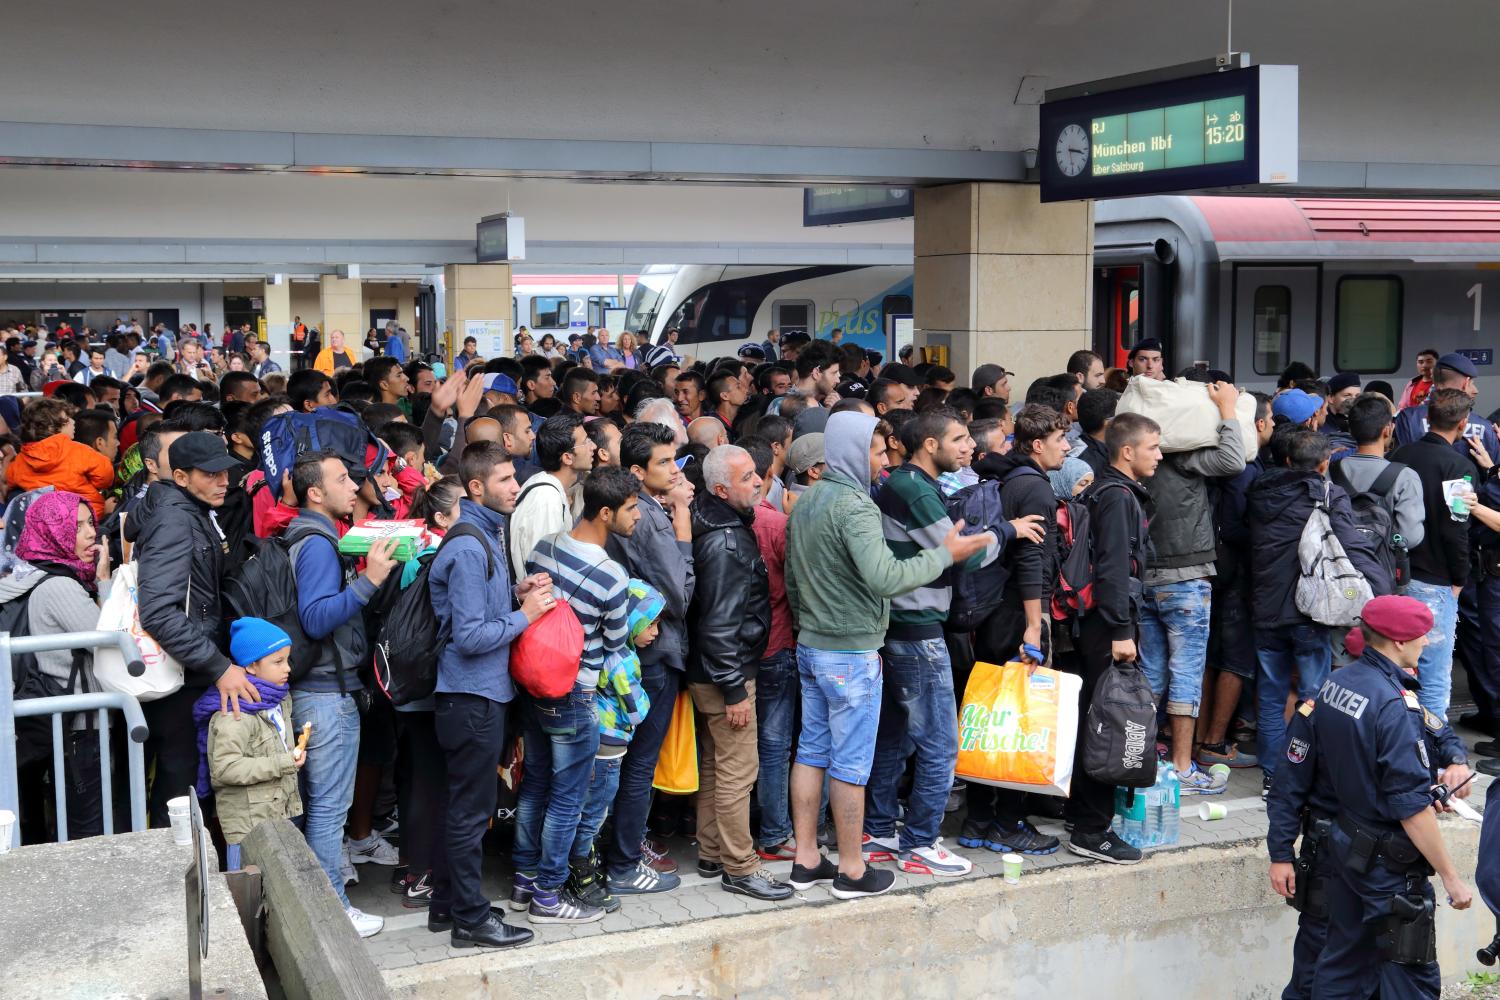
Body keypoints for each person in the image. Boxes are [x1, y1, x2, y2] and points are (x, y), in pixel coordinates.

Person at [783, 410, 988, 899]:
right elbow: (885, 578)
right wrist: (945, 555)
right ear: (855, 452)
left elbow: (792, 577)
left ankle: (806, 858)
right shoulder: (854, 505)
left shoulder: (810, 500)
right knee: (852, 763)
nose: (883, 462)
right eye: (877, 452)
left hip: (812, 645)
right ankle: (852, 871)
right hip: (850, 653)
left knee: (811, 752)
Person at [1303, 596, 1473, 998]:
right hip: (1387, 864)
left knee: (1343, 962)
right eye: (1421, 635)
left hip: (1347, 846)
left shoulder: (1338, 683)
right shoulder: (1393, 704)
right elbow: (1410, 809)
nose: (1427, 642)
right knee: (1410, 976)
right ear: (1397, 642)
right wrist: (1451, 877)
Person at [865, 408, 1006, 877]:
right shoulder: (912, 488)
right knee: (941, 744)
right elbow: (961, 557)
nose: (969, 447)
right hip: (917, 631)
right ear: (930, 445)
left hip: (898, 629)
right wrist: (1006, 531)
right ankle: (920, 843)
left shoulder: (906, 483)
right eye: (960, 438)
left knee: (895, 737)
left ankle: (880, 832)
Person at [428, 442, 549, 949]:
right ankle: (471, 921)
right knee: (469, 813)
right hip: (470, 698)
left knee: (461, 807)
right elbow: (471, 636)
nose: (515, 486)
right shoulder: (469, 546)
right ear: (476, 487)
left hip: (476, 697)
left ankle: (449, 906)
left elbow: (474, 614)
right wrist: (529, 616)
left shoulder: (484, 535)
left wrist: (516, 596)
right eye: (504, 480)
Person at [283, 449, 401, 938]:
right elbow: (314, 618)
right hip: (325, 695)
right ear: (315, 492)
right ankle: (332, 910)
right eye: (342, 479)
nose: (354, 485)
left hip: (326, 692)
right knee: (329, 810)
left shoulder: (319, 536)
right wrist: (370, 582)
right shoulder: (314, 543)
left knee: (325, 807)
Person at [515, 466, 640, 924]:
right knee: (567, 798)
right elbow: (615, 645)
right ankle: (548, 896)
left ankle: (524, 879)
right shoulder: (611, 575)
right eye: (631, 508)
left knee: (535, 785)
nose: (639, 516)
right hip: (575, 695)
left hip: (533, 684)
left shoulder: (544, 547)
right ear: (605, 512)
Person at [133, 432, 259, 830]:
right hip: (179, 676)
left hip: (188, 670)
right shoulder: (175, 519)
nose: (224, 481)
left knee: (183, 783)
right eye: (211, 474)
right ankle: (175, 884)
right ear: (182, 477)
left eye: (226, 472)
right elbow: (158, 612)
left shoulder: (193, 510)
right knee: (178, 788)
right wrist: (218, 666)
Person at [1249, 429, 1385, 796]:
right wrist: (1382, 591)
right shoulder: (1327, 493)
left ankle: (1272, 776)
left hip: (1265, 609)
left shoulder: (1258, 492)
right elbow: (1352, 544)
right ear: (1324, 464)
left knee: (1271, 693)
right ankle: (1308, 770)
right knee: (1313, 694)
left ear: (1287, 461)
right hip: (1310, 610)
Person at [685, 445, 789, 899]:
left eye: (755, 474)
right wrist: (734, 690)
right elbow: (718, 625)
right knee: (736, 772)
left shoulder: (714, 521)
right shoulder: (726, 541)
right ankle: (740, 868)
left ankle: (711, 852)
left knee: (715, 765)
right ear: (721, 489)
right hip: (725, 674)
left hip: (710, 670)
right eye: (747, 477)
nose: (758, 482)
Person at [1137, 380, 1245, 791]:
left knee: (1150, 675)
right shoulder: (1183, 457)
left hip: (1145, 577)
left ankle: (1142, 763)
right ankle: (1182, 767)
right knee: (1185, 674)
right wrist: (1228, 409)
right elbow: (1234, 459)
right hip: (1186, 579)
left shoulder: (1134, 462)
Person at [1065, 413, 1161, 864]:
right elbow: (1113, 569)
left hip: (1099, 622)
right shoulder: (1118, 497)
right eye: (1153, 448)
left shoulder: (1104, 488)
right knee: (1110, 722)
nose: (1159, 456)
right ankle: (1090, 829)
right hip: (1109, 626)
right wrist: (1122, 631)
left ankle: (1081, 814)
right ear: (1128, 451)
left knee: (1097, 716)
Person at [603, 423, 694, 894]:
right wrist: (682, 526)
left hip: (642, 650)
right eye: (664, 461)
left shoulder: (632, 509)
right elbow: (679, 595)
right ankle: (623, 861)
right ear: (636, 471)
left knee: (627, 762)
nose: (675, 469)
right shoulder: (652, 517)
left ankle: (619, 852)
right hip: (654, 655)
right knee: (638, 764)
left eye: (675, 458)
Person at [0, 491, 110, 837]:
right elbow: (107, 642)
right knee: (87, 828)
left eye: (90, 522)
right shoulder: (60, 586)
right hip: (79, 725)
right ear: (52, 533)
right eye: (76, 527)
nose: (91, 532)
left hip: (42, 721)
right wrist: (105, 582)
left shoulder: (21, 578)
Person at [569, 579, 663, 911]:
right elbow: (636, 710)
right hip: (609, 747)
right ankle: (581, 869)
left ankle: (582, 861)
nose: (655, 632)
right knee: (594, 811)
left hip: (597, 741)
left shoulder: (608, 649)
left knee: (588, 807)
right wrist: (649, 701)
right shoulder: (623, 660)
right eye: (649, 623)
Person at [1391, 387, 1478, 719]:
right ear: (1463, 423)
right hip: (1435, 582)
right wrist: (1460, 577)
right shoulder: (1459, 466)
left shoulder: (1400, 455)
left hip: (1395, 575)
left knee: (1396, 672)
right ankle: (1434, 757)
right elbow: (1456, 528)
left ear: (1427, 418)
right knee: (1434, 677)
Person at [197, 618, 304, 870]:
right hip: (248, 831)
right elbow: (224, 769)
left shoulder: (278, 699)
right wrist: (284, 763)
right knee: (247, 900)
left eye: (287, 659)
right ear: (251, 666)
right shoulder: (234, 712)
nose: (287, 668)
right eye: (277, 661)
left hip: (277, 818)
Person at [509, 412, 593, 576]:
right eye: (586, 443)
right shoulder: (546, 499)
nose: (593, 447)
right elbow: (543, 568)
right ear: (567, 457)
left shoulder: (548, 489)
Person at [6, 398, 115, 520]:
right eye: (67, 420)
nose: (73, 422)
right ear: (52, 428)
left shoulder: (20, 460)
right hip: (86, 517)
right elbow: (105, 476)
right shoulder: (78, 450)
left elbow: (9, 482)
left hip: (47, 523)